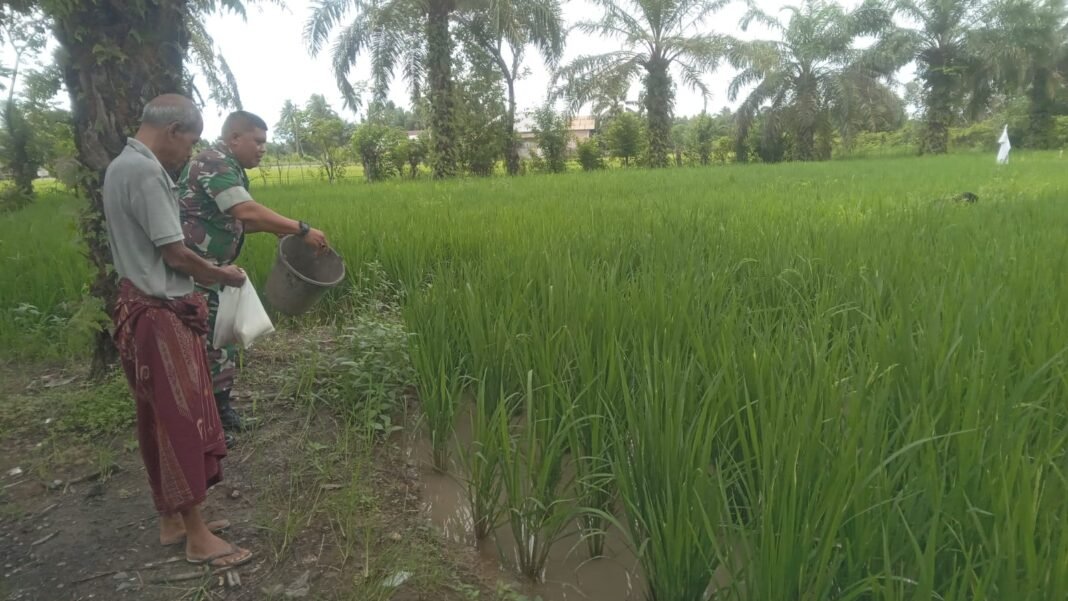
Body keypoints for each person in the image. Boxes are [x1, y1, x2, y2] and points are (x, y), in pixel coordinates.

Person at [103, 94, 253, 568]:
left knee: (155, 418)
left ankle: (170, 521)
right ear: (173, 131)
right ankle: (197, 537)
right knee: (181, 420)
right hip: (160, 313)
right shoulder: (147, 173)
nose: (189, 153)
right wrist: (220, 272)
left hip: (135, 305)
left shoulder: (120, 166)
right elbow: (175, 254)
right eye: (189, 142)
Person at [179, 111, 327, 444]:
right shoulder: (214, 163)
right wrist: (300, 228)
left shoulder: (229, 167)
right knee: (202, 344)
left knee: (221, 341)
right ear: (234, 138)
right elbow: (245, 211)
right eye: (257, 142)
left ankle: (221, 409)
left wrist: (280, 231)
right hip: (196, 271)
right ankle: (203, 425)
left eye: (265, 143)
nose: (262, 149)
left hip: (215, 271)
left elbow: (242, 221)